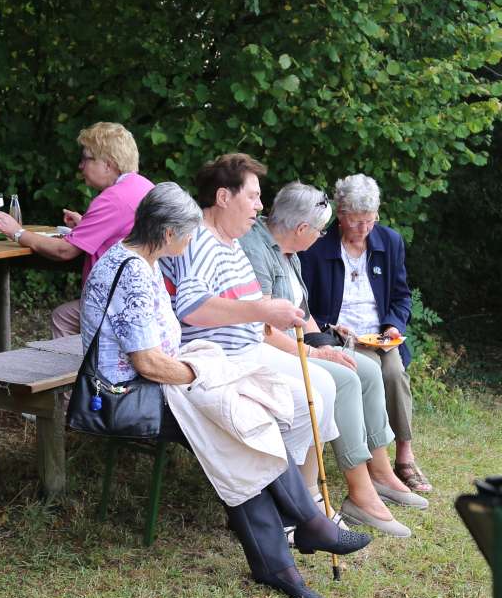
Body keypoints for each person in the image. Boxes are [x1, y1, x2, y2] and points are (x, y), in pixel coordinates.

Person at [82, 182, 369, 598]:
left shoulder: (130, 257)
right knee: (238, 420)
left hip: (156, 381)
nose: (191, 242)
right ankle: (299, 535)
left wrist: (203, 371)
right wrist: (203, 371)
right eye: (187, 235)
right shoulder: (138, 276)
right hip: (128, 395)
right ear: (166, 235)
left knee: (243, 417)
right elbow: (148, 364)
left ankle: (285, 551)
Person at [158, 155, 350, 523]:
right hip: (218, 360)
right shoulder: (199, 239)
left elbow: (251, 311)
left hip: (248, 350)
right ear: (223, 197)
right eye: (253, 196)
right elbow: (193, 308)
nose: (261, 206)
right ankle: (285, 508)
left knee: (321, 388)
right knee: (304, 399)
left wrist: (282, 321)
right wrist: (263, 312)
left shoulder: (231, 241)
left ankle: (297, 504)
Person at [240, 182, 423, 537]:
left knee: (367, 368)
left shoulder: (287, 253)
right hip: (269, 350)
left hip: (297, 344)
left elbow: (302, 313)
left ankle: (382, 472)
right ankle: (360, 492)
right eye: (321, 230)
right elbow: (262, 329)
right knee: (346, 377)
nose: (322, 237)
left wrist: (327, 345)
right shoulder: (261, 251)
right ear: (302, 229)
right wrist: (316, 350)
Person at [300, 174, 432, 494]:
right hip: (337, 337)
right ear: (340, 214)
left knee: (394, 372)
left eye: (370, 221)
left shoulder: (389, 242)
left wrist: (392, 326)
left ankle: (404, 456)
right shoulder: (316, 247)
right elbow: (301, 304)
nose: (364, 230)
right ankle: (373, 461)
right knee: (363, 373)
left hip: (378, 335)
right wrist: (329, 328)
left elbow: (401, 296)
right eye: (356, 222)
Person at [0, 122, 153, 338]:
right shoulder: (143, 186)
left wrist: (18, 232)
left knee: (62, 318)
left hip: (118, 301)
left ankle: (82, 370)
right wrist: (86, 224)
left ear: (108, 164)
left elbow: (64, 251)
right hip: (142, 295)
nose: (80, 166)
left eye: (85, 158)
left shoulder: (113, 198)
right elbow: (120, 234)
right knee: (64, 316)